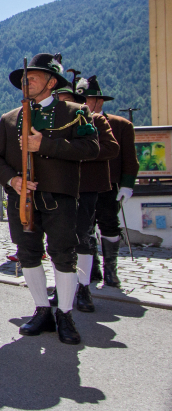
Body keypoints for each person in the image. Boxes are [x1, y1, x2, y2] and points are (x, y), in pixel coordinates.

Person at [0, 53, 100, 345]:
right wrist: (13, 180)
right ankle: (41, 309)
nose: (27, 81)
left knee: (63, 255)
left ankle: (65, 313)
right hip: (21, 198)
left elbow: (91, 148)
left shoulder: (75, 111)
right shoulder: (9, 118)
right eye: (25, 78)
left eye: (34, 77)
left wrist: (44, 144)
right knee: (27, 254)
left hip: (59, 196)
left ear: (51, 82)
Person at [54, 78, 118, 312]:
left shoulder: (95, 119)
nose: (62, 105)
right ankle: (62, 285)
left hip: (85, 186)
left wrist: (77, 149)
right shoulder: (52, 122)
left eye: (66, 101)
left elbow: (112, 148)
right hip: (59, 184)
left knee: (83, 236)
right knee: (59, 237)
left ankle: (83, 287)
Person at [81, 76, 139, 288]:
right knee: (85, 228)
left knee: (109, 225)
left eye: (87, 99)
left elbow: (130, 159)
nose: (84, 104)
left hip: (109, 185)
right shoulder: (74, 121)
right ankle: (92, 269)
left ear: (99, 102)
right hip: (83, 185)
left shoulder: (121, 125)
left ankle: (111, 270)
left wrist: (127, 184)